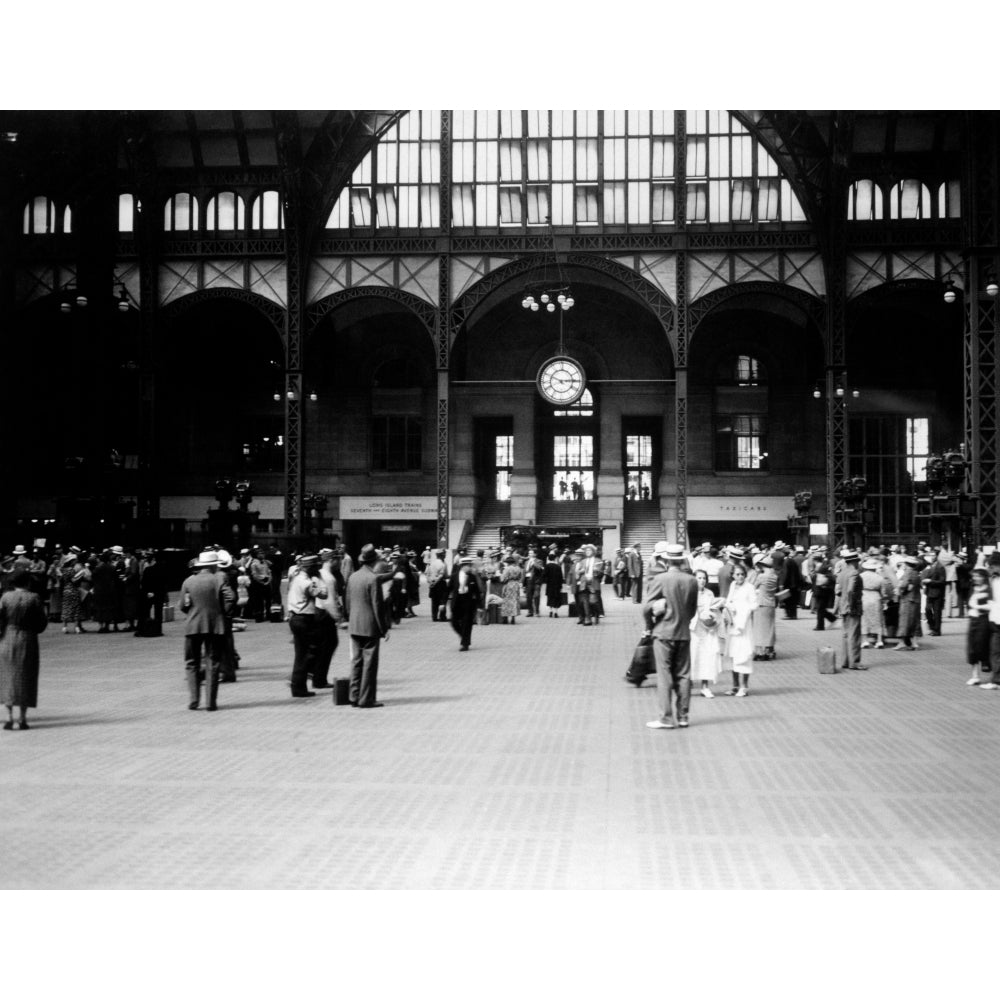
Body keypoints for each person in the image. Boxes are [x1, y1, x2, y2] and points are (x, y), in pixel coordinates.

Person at [643, 542, 699, 730]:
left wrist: (649, 626)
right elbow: (692, 610)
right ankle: (683, 716)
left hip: (663, 632)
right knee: (684, 675)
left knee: (664, 675)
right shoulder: (692, 581)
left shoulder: (659, 579)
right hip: (684, 632)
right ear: (682, 560)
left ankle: (666, 718)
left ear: (666, 560)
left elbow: (647, 607)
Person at [179, 550, 235, 711]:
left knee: (191, 662)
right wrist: (222, 612)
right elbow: (231, 597)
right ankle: (211, 702)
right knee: (213, 662)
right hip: (215, 625)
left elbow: (183, 605)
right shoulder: (218, 580)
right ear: (212, 565)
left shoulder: (188, 581)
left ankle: (194, 699)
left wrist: (192, 613)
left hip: (192, 626)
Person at [344, 544, 392, 707]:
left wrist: (351, 619)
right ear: (374, 562)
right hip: (370, 627)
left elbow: (348, 603)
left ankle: (354, 696)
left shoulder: (353, 577)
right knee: (369, 665)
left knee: (356, 662)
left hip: (355, 624)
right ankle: (366, 699)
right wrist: (384, 628)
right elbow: (377, 606)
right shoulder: (373, 579)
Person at [0, 569, 48, 731]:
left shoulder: (5, 597)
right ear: (28, 582)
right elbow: (41, 623)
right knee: (26, 677)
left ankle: (8, 717)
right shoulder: (34, 598)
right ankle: (22, 718)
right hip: (28, 639)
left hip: (7, 638)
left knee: (7, 676)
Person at [286, 553, 329, 696]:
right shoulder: (306, 582)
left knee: (301, 654)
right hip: (304, 619)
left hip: (295, 617)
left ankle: (297, 685)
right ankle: (299, 685)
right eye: (315, 567)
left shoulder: (297, 578)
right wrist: (321, 580)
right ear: (310, 568)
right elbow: (323, 594)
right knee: (308, 652)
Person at [723, 562, 758, 696]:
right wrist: (729, 607)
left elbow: (754, 604)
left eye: (742, 574)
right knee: (733, 654)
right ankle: (735, 685)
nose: (740, 577)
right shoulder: (732, 586)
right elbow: (728, 601)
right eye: (737, 574)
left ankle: (745, 686)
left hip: (744, 626)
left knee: (744, 654)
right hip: (733, 624)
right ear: (733, 575)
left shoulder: (749, 587)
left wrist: (744, 610)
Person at [690, 569, 723, 698]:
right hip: (694, 628)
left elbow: (713, 608)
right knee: (693, 655)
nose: (702, 581)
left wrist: (711, 615)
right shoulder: (691, 592)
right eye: (699, 578)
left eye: (704, 578)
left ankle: (705, 686)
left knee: (707, 656)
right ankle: (688, 684)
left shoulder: (709, 593)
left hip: (707, 628)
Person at [834, 548, 865, 670]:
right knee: (854, 635)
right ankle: (855, 662)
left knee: (846, 634)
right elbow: (851, 590)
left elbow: (839, 591)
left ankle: (845, 661)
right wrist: (852, 605)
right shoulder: (854, 573)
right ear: (855, 561)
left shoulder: (842, 573)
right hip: (853, 607)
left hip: (843, 607)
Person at [449, 554, 482, 651]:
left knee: (467, 623)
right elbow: (448, 589)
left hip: (468, 603)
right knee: (454, 622)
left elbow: (477, 591)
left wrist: (479, 606)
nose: (470, 567)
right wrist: (443, 603)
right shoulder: (454, 576)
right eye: (469, 565)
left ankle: (465, 644)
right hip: (457, 602)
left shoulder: (472, 577)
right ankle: (464, 637)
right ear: (463, 566)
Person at [966, 567, 992, 687]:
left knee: (983, 645)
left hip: (984, 621)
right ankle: (975, 675)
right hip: (973, 620)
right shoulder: (972, 589)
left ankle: (987, 666)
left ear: (984, 577)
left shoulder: (989, 590)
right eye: (974, 576)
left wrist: (980, 607)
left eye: (978, 576)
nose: (975, 578)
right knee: (972, 648)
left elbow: (992, 605)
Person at [894, 555, 923, 651]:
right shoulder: (917, 574)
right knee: (915, 621)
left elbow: (904, 585)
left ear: (907, 564)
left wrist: (899, 590)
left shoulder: (908, 573)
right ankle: (914, 642)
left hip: (907, 600)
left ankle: (901, 642)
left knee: (904, 621)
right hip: (916, 599)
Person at [752, 555, 778, 660]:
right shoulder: (774, 576)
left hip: (761, 604)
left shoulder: (761, 577)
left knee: (760, 629)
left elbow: (753, 587)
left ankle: (761, 652)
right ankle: (769, 650)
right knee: (769, 628)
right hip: (771, 604)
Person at [573, 543, 603, 626]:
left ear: (593, 551)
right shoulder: (582, 561)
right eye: (586, 550)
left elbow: (601, 573)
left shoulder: (598, 560)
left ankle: (596, 614)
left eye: (589, 550)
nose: (587, 551)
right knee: (585, 601)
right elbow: (577, 573)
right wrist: (579, 572)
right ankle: (587, 619)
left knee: (593, 602)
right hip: (584, 583)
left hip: (594, 583)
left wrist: (596, 571)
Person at [921, 549, 947, 636]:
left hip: (937, 592)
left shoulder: (940, 567)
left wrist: (930, 581)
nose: (931, 557)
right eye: (930, 555)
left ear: (936, 556)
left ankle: (937, 630)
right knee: (927, 609)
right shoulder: (930, 566)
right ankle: (932, 627)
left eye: (933, 555)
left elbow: (942, 581)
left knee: (937, 612)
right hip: (929, 591)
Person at [810, 546, 837, 630]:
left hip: (822, 590)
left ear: (815, 560)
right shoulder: (822, 567)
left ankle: (820, 625)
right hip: (820, 590)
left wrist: (822, 579)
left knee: (820, 608)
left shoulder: (823, 567)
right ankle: (832, 618)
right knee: (820, 608)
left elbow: (831, 578)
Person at [426, 549, 450, 622]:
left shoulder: (432, 564)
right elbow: (442, 576)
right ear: (442, 555)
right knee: (442, 600)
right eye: (444, 554)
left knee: (434, 601)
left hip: (432, 584)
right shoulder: (443, 564)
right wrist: (450, 576)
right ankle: (442, 616)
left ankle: (434, 617)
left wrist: (431, 582)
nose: (445, 556)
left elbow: (427, 574)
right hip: (441, 584)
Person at [500, 556, 523, 625]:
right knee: (514, 600)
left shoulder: (507, 569)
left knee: (507, 601)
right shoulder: (518, 568)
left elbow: (502, 579)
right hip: (516, 585)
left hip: (509, 584)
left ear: (508, 563)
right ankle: (513, 618)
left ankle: (506, 618)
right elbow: (520, 577)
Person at [522, 547, 544, 617]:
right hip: (528, 581)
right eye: (529, 553)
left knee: (536, 596)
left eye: (531, 553)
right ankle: (530, 611)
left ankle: (537, 612)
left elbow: (540, 568)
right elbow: (524, 572)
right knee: (529, 597)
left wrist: (533, 562)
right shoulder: (526, 562)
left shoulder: (539, 561)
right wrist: (522, 582)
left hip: (536, 581)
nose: (529, 554)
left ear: (535, 554)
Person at [543, 551, 564, 617]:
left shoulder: (547, 566)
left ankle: (550, 611)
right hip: (557, 585)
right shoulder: (558, 567)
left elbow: (544, 575)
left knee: (550, 597)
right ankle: (556, 612)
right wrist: (561, 586)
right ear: (555, 559)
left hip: (549, 585)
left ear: (548, 559)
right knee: (556, 598)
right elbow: (561, 577)